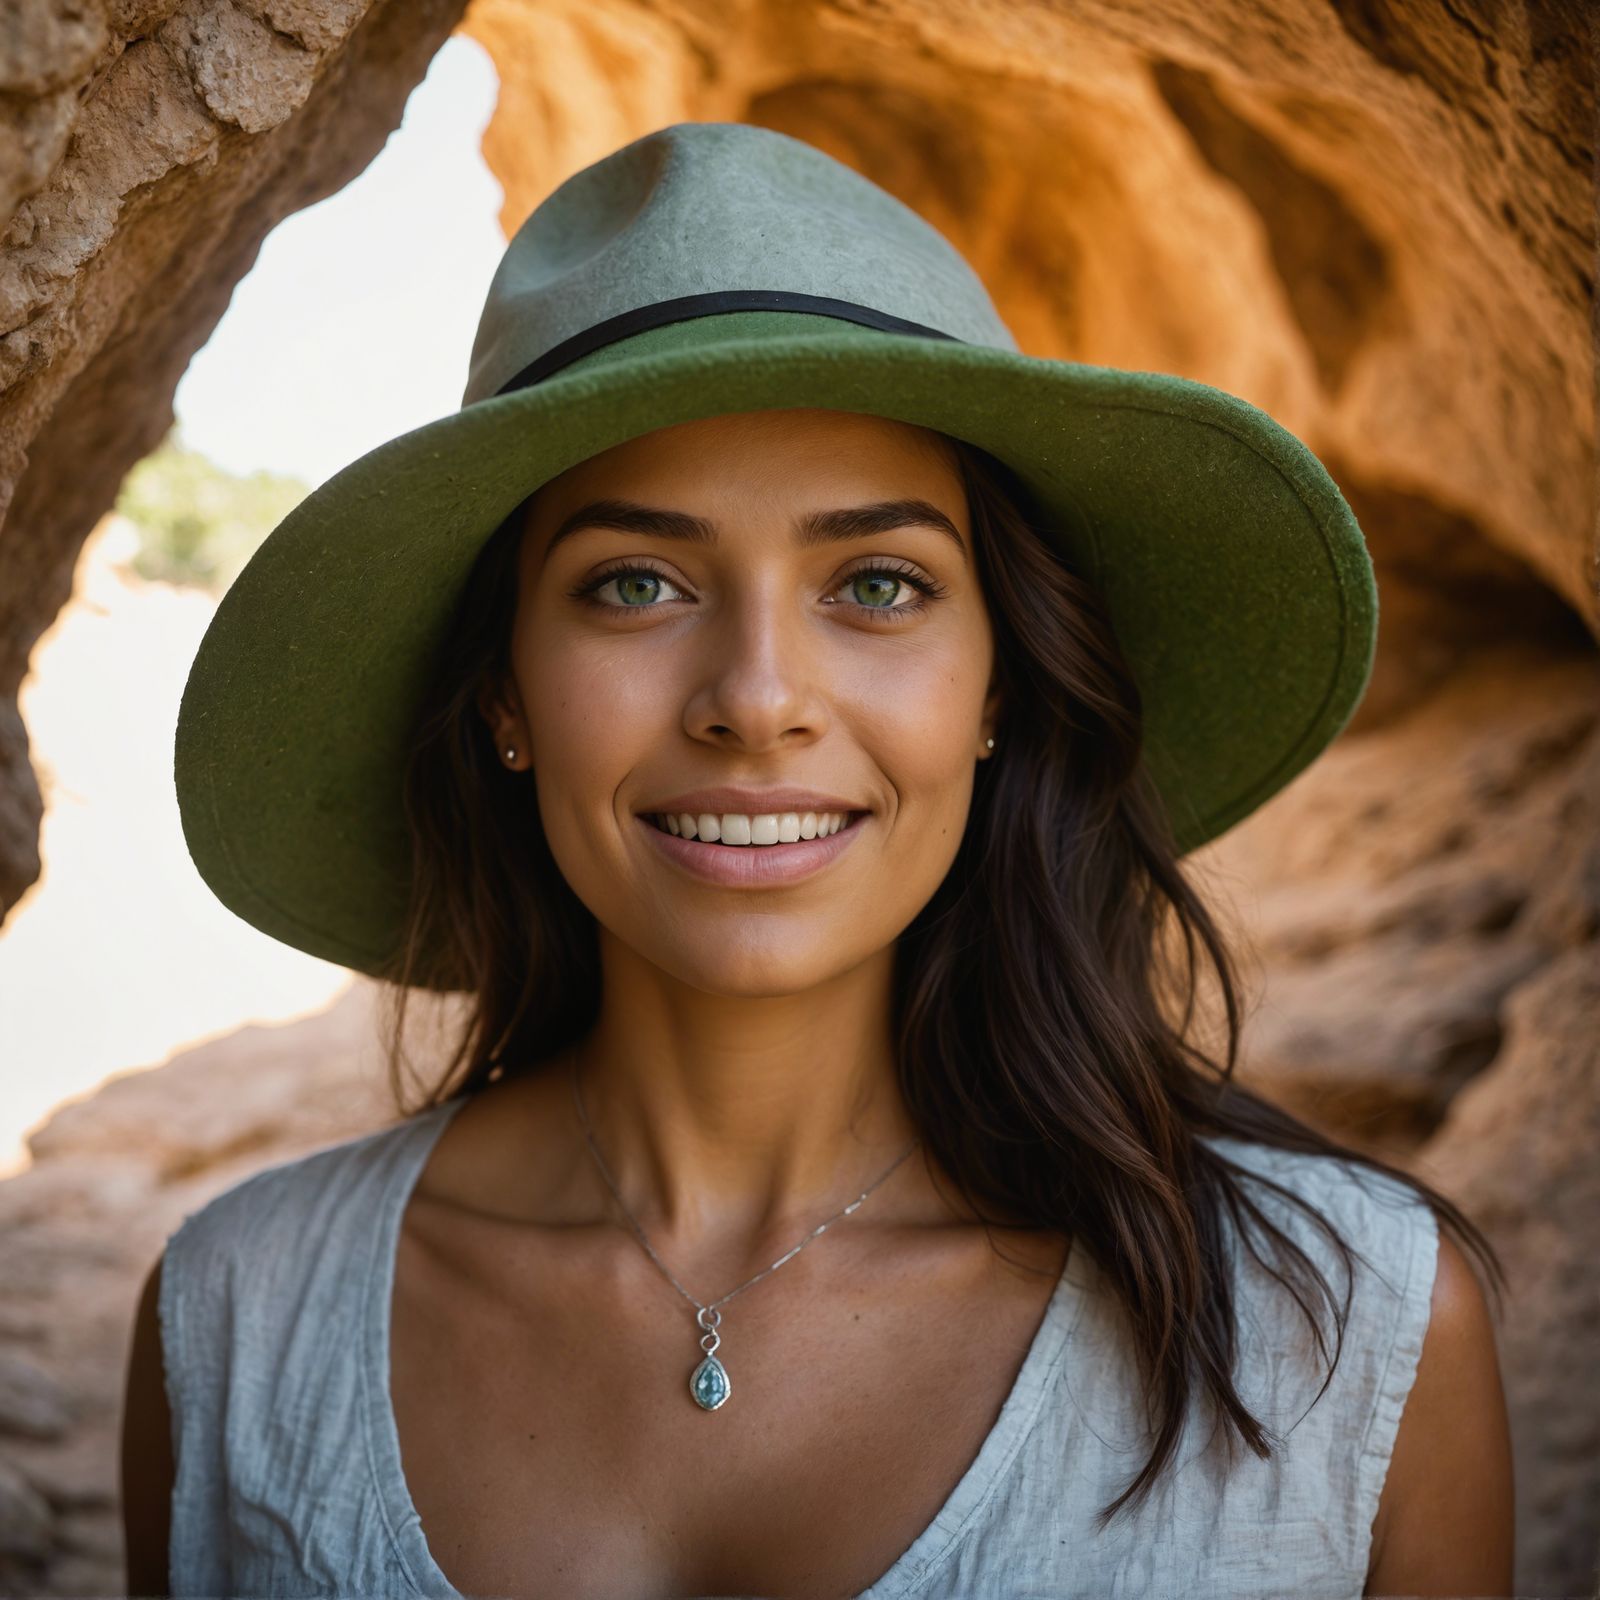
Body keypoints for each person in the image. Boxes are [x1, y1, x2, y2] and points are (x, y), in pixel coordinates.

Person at [119, 122, 1513, 1598]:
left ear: (999, 687)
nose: (759, 697)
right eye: (634, 583)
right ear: (504, 699)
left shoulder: (1352, 1335)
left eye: (879, 584)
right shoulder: (238, 1325)